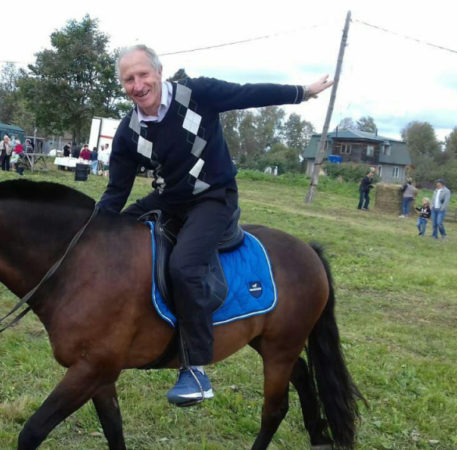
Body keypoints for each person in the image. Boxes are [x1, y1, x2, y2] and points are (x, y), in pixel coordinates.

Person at [96, 44, 332, 406]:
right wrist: (89, 232)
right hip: (170, 199)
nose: (137, 84)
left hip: (214, 197)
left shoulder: (197, 94)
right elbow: (116, 192)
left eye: (143, 74)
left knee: (185, 265)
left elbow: (247, 94)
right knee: (119, 233)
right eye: (129, 79)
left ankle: (194, 368)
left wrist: (302, 92)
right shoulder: (129, 132)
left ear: (159, 72)